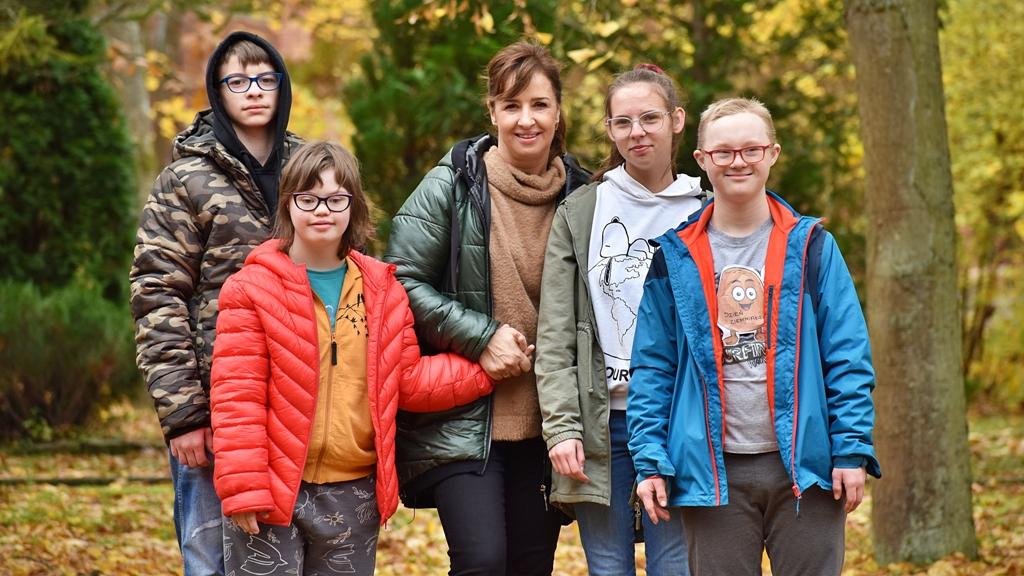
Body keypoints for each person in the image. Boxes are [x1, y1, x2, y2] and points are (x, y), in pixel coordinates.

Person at [209, 141, 495, 575]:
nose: (322, 210)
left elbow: (407, 379)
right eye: (308, 199)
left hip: (353, 491)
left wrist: (486, 368)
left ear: (353, 205)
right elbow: (237, 397)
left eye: (335, 199)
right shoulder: (250, 289)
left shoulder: (382, 290)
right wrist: (245, 487)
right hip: (273, 488)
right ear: (287, 204)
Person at [627, 97, 881, 575]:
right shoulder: (675, 258)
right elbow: (654, 367)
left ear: (772, 154)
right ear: (702, 160)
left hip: (806, 468)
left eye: (751, 149)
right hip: (712, 472)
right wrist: (650, 460)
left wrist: (850, 449)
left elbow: (847, 357)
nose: (737, 162)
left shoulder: (812, 248)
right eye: (722, 152)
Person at [383, 42, 590, 575]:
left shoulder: (584, 196)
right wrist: (480, 336)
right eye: (511, 105)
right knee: (482, 561)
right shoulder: (451, 184)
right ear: (492, 112)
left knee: (530, 566)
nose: (526, 119)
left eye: (539, 104)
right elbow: (397, 281)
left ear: (558, 112)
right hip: (464, 418)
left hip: (548, 423)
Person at [129, 31, 301, 575]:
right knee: (209, 559)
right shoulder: (185, 179)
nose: (254, 91)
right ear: (217, 91)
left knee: (283, 559)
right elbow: (157, 295)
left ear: (282, 85)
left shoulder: (309, 170)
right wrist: (183, 415)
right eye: (238, 81)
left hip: (299, 404)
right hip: (213, 406)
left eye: (265, 78)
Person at [534, 64, 700, 576]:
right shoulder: (582, 210)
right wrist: (562, 427)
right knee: (608, 566)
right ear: (609, 129)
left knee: (675, 565)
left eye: (650, 118)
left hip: (679, 420)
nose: (637, 132)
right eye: (623, 122)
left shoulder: (704, 210)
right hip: (601, 420)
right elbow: (556, 331)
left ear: (676, 120)